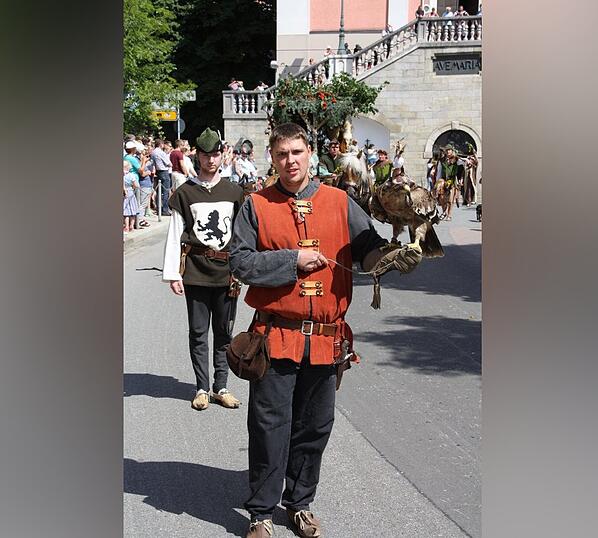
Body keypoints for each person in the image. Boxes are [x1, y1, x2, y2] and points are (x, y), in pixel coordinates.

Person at [229, 122, 422, 538]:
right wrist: (290, 261)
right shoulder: (256, 205)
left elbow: (369, 249)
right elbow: (240, 263)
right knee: (268, 426)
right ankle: (261, 512)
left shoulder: (339, 201)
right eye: (282, 154)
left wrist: (393, 254)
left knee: (314, 427)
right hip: (275, 335)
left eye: (297, 152)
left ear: (311, 153)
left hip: (326, 339)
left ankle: (299, 503)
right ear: (272, 157)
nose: (291, 161)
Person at [162, 128, 245, 411]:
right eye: (206, 154)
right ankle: (201, 387)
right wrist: (173, 273)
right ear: (197, 155)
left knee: (224, 332)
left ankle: (221, 386)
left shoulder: (234, 191)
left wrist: (243, 267)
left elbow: (241, 233)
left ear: (222, 155)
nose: (211, 160)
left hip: (227, 272)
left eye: (216, 154)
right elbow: (176, 233)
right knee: (198, 332)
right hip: (195, 272)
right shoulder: (185, 193)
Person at [150, 139, 173, 216]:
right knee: (165, 191)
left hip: (158, 172)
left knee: (159, 192)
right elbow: (169, 164)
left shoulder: (153, 152)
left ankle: (159, 208)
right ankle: (165, 210)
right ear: (161, 144)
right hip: (164, 171)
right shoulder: (161, 152)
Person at [122, 159, 139, 232]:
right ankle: (131, 226)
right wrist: (133, 187)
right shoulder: (131, 175)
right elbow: (136, 185)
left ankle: (126, 226)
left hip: (124, 193)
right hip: (131, 192)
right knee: (132, 209)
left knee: (126, 211)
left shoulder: (123, 176)